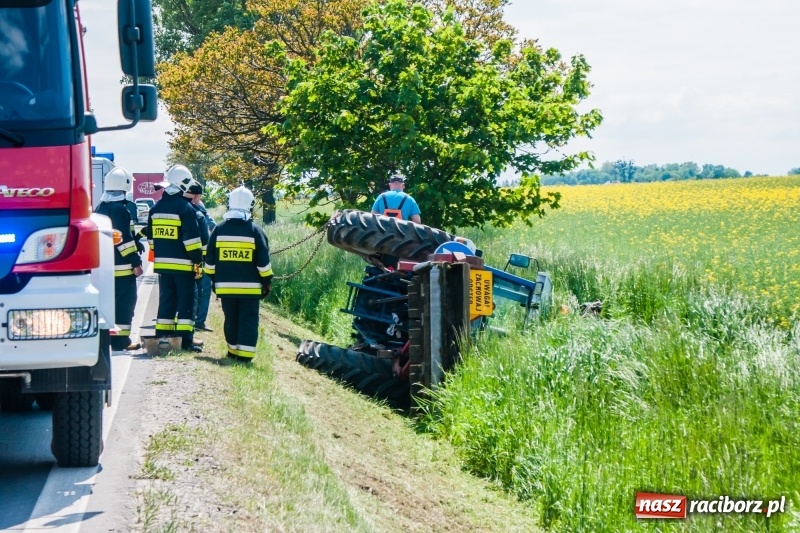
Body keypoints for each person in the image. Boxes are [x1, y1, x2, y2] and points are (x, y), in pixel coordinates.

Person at [204, 186, 273, 363]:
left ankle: (232, 352)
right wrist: (266, 283)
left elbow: (209, 264)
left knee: (231, 318)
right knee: (248, 320)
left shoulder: (218, 230)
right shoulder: (255, 231)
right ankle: (245, 357)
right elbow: (263, 264)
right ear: (250, 205)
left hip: (225, 288)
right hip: (250, 290)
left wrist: (215, 281)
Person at [146, 164, 204, 352]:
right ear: (184, 184)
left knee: (167, 303)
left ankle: (163, 338)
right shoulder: (185, 209)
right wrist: (197, 261)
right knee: (186, 304)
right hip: (184, 266)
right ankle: (185, 342)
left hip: (163, 267)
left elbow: (152, 240)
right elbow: (192, 241)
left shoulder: (155, 209)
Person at [94, 167, 143, 352]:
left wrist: (137, 242)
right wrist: (136, 262)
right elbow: (123, 241)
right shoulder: (121, 209)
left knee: (107, 305)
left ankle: (108, 339)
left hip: (103, 267)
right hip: (122, 269)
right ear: (126, 186)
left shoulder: (101, 208)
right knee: (124, 305)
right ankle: (121, 342)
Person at [184, 182, 215, 332]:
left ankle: (191, 319)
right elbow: (212, 226)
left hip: (183, 258)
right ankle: (199, 321)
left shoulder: (180, 206)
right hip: (199, 258)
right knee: (203, 287)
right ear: (196, 196)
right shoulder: (196, 209)